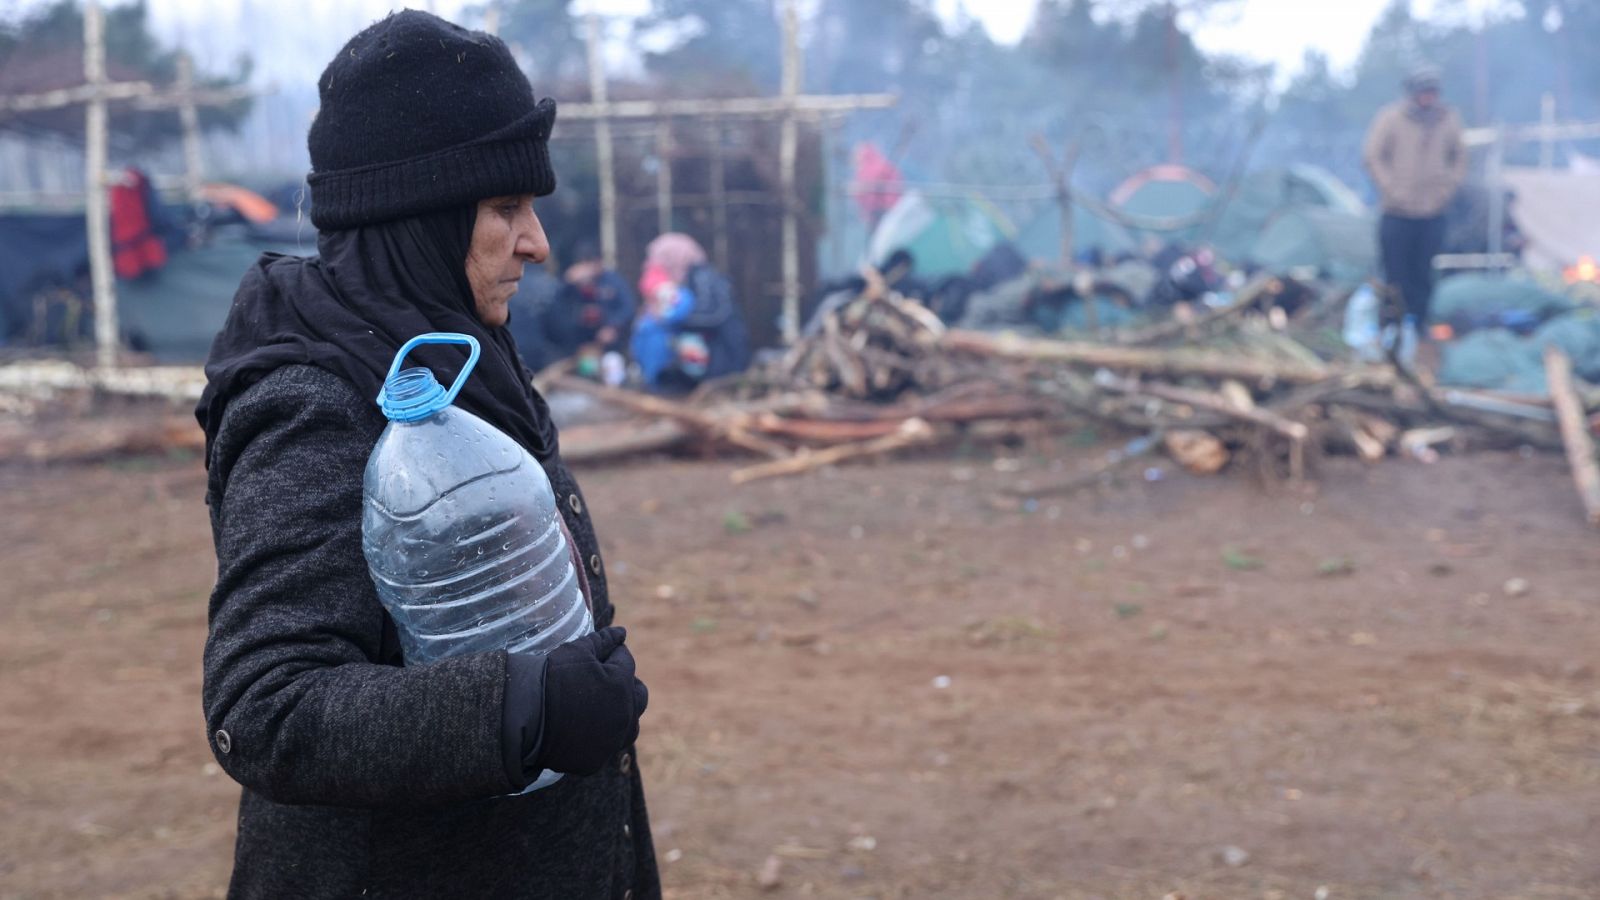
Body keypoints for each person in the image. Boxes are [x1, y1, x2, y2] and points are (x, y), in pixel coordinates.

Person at [194, 12, 656, 899]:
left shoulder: (448, 354)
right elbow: (265, 706)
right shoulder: (319, 402)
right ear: (420, 218)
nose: (538, 242)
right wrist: (525, 709)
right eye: (506, 208)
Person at [1363, 64, 1467, 335]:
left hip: (1432, 212)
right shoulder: (1391, 118)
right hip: (1396, 212)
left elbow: (1460, 157)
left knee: (1423, 274)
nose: (1428, 98)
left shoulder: (1448, 120)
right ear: (1412, 93)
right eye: (1424, 92)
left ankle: (1419, 326)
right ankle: (1390, 328)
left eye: (1432, 92)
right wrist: (1391, 189)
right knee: (1395, 274)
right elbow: (1373, 156)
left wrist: (1446, 189)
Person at [630, 232, 749, 392]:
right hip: (709, 354)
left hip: (723, 355)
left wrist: (670, 320)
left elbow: (715, 316)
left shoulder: (703, 277)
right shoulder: (686, 279)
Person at [542, 240, 637, 381]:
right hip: (579, 341)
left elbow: (628, 307)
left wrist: (613, 326)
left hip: (609, 340)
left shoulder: (613, 281)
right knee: (584, 374)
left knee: (612, 366)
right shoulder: (571, 283)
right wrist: (567, 283)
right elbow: (555, 305)